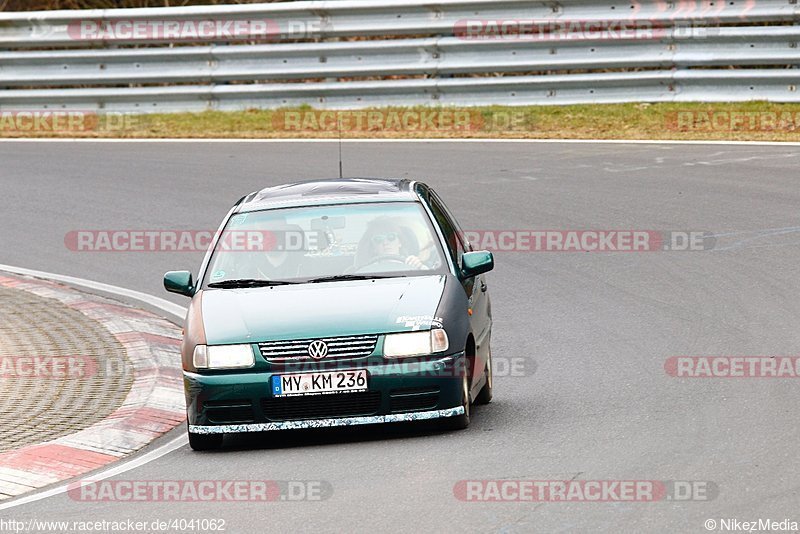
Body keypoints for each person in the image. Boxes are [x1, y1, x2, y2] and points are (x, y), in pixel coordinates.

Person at [355, 217, 428, 270]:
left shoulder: (411, 263)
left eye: (391, 237)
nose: (385, 242)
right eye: (378, 239)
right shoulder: (367, 271)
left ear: (400, 242)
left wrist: (420, 266)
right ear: (374, 248)